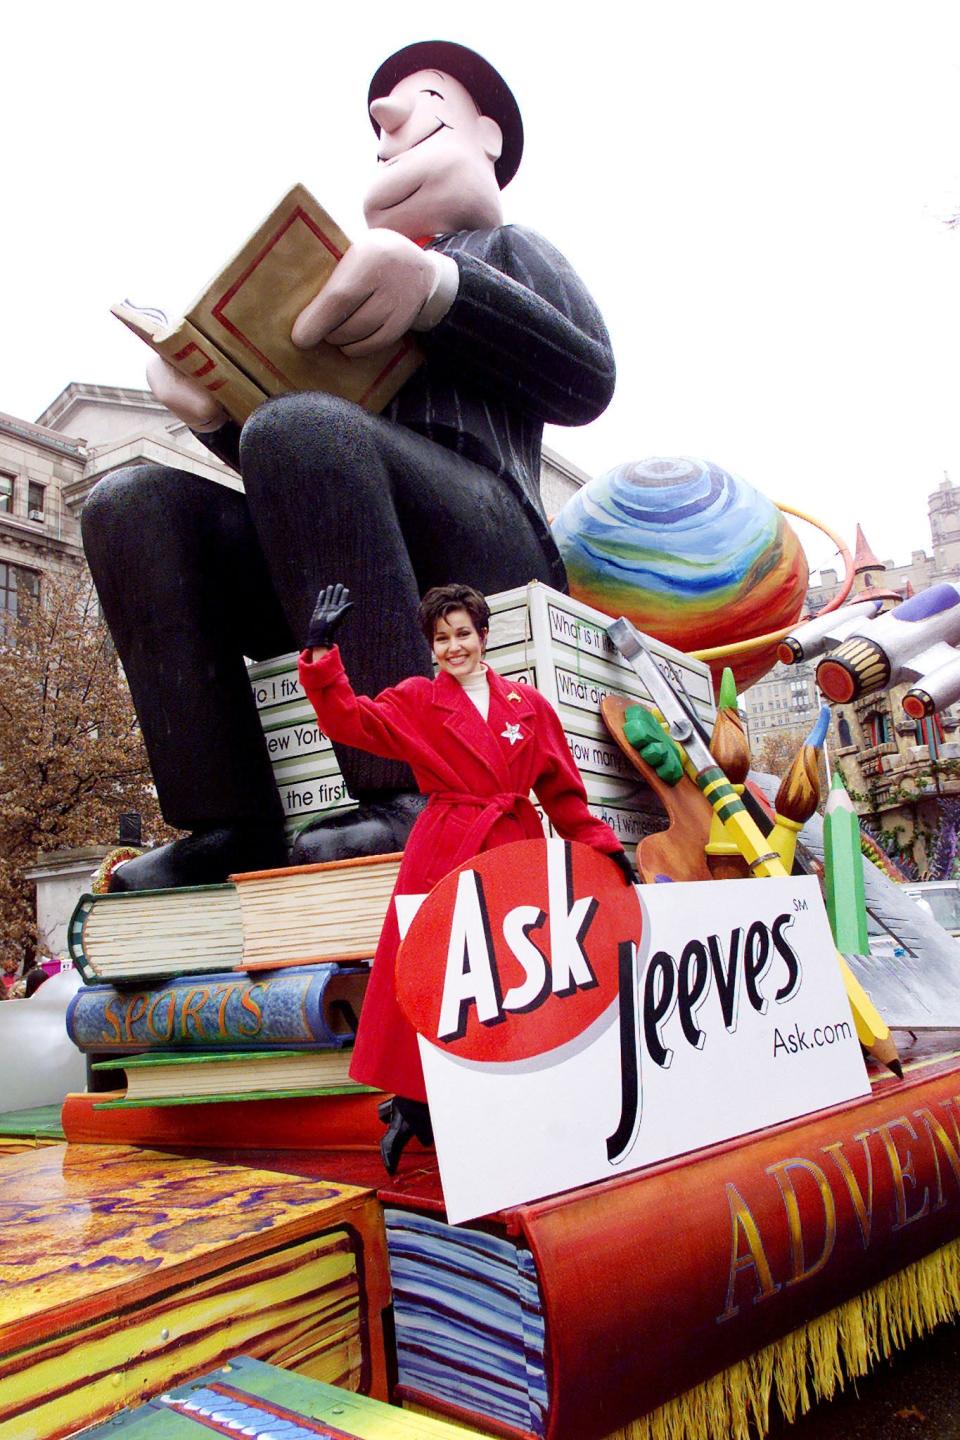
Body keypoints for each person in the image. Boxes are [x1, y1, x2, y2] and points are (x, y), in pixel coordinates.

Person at [81, 40, 616, 892]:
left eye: (426, 103)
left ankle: (403, 787)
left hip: (487, 532)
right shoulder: (352, 288)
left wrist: (443, 291)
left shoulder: (509, 251)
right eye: (381, 133)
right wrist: (220, 411)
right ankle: (229, 821)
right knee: (132, 503)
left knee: (308, 431)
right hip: (345, 549)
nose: (389, 129)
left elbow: (588, 378)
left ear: (486, 136)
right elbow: (297, 467)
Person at [300, 581, 636, 1172]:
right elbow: (349, 720)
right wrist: (323, 654)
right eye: (441, 638)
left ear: (484, 636)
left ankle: (524, 1103)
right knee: (432, 974)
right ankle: (415, 1099)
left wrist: (601, 848)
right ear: (431, 647)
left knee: (521, 976)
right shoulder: (416, 700)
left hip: (514, 847)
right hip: (445, 849)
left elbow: (562, 792)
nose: (454, 647)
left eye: (463, 634)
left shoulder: (529, 707)